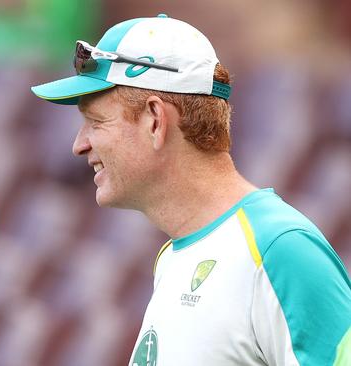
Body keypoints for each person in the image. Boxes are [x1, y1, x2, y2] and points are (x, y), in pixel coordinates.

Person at [31, 14, 351, 366]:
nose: (79, 145)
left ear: (155, 120)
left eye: (96, 122)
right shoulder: (173, 257)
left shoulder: (280, 249)